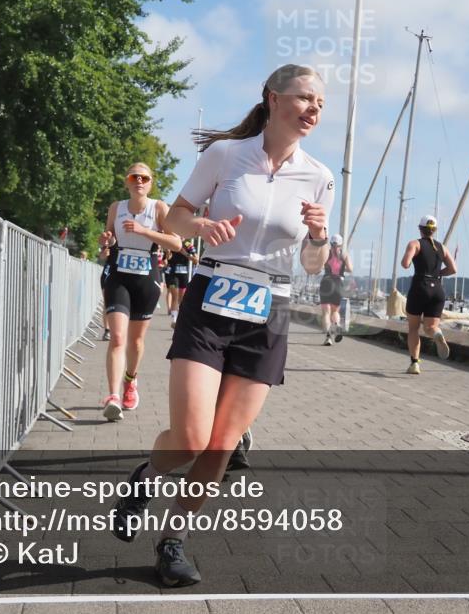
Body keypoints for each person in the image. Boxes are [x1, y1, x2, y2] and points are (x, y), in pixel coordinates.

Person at [109, 63, 333, 587]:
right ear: (273, 99)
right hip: (212, 295)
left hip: (270, 308)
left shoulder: (319, 176)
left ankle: (173, 541)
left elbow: (311, 265)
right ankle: (148, 475)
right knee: (190, 439)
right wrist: (202, 225)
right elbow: (175, 217)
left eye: (320, 103)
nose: (314, 110)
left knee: (220, 445)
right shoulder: (226, 155)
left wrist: (319, 238)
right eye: (305, 98)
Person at [98, 163, 181, 420]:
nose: (139, 181)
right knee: (118, 338)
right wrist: (106, 242)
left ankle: (130, 381)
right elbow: (109, 241)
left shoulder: (158, 208)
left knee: (135, 341)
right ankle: (113, 396)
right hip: (118, 276)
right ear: (127, 181)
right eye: (134, 177)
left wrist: (146, 231)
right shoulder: (116, 207)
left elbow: (176, 243)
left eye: (144, 178)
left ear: (150, 183)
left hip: (146, 278)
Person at [400, 215, 457, 375]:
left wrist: (412, 259)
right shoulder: (442, 247)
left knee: (413, 328)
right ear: (435, 230)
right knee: (430, 327)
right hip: (437, 289)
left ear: (420, 229)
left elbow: (405, 264)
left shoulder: (415, 244)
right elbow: (453, 269)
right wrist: (438, 272)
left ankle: (414, 363)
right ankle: (437, 333)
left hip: (419, 287)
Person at [318, 234, 351, 345]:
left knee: (326, 313)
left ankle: (328, 338)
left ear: (330, 243)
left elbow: (320, 266)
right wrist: (342, 268)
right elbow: (350, 269)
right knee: (335, 311)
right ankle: (336, 326)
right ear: (341, 244)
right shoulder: (344, 255)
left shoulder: (326, 253)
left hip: (326, 282)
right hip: (338, 283)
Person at [165, 239, 199, 328]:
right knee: (174, 296)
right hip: (173, 274)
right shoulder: (172, 242)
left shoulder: (188, 244)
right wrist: (168, 252)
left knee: (182, 299)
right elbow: (168, 258)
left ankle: (181, 319)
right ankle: (174, 320)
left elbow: (196, 260)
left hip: (184, 274)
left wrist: (185, 253)